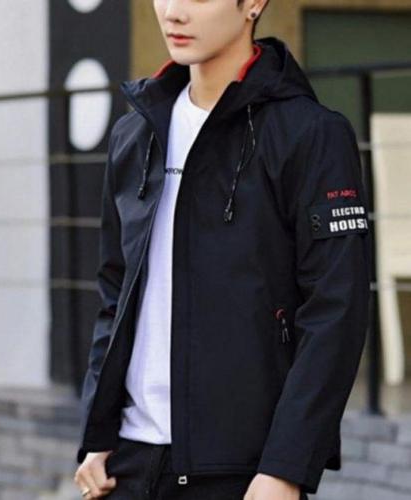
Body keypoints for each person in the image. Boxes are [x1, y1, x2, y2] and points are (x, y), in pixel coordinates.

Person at [74, 0, 371, 499]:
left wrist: (286, 467)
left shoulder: (310, 134)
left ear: (253, 3)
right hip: (126, 463)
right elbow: (115, 293)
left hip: (241, 469)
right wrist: (97, 433)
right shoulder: (135, 133)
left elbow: (335, 313)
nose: (173, 13)